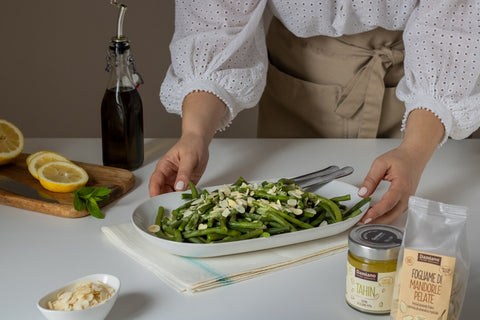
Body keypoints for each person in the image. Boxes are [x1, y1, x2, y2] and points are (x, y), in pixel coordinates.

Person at [149, 1, 480, 225]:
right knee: (285, 228)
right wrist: (194, 134)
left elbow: (454, 27)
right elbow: (216, 19)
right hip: (298, 80)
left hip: (422, 82)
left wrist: (414, 151)